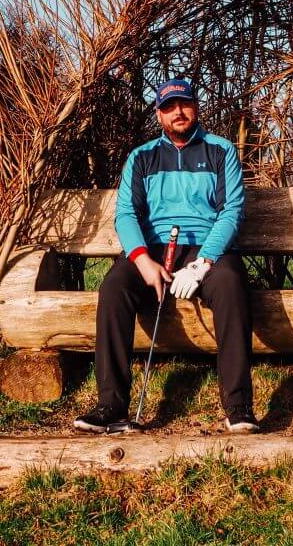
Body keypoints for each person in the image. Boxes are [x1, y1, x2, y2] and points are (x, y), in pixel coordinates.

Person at [74, 78, 258, 434]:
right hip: (154, 248)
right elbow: (126, 215)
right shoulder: (141, 157)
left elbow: (231, 211)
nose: (178, 112)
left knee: (232, 284)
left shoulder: (221, 151)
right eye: (169, 107)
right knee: (113, 288)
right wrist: (143, 260)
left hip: (208, 248)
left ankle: (239, 406)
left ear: (196, 107)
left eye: (185, 104)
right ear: (159, 114)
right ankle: (110, 405)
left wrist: (203, 263)